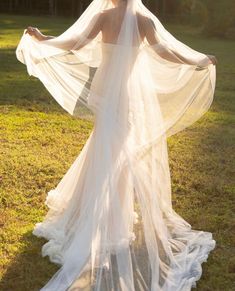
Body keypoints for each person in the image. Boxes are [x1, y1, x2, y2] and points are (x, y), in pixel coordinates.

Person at [16, 0, 217, 290]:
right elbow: (166, 52)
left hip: (105, 89)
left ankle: (92, 210)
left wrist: (43, 39)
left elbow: (74, 43)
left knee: (106, 147)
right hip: (125, 92)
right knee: (117, 151)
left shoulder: (104, 16)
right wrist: (199, 60)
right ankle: (111, 217)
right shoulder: (144, 21)